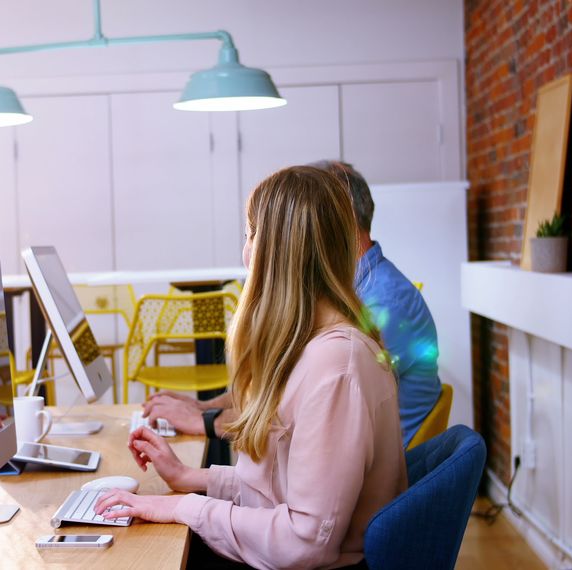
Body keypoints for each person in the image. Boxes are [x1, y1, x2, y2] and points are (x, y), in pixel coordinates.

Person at [95, 166, 407, 569]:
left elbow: (305, 541)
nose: (245, 251)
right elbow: (276, 490)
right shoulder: (313, 346)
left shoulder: (335, 364)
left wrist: (185, 508)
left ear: (273, 250)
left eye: (249, 235)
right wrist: (189, 477)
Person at [144, 160, 441, 448]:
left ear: (333, 220)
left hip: (375, 470)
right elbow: (275, 391)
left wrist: (206, 422)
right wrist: (203, 408)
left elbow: (287, 415)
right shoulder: (341, 294)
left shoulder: (380, 303)